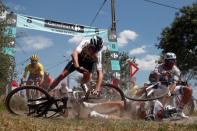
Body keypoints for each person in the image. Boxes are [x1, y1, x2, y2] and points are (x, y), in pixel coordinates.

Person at [149, 52, 192, 119]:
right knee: (148, 90)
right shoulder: (159, 66)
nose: (172, 63)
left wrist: (169, 91)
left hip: (170, 88)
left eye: (173, 60)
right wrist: (162, 74)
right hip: (159, 87)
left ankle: (179, 111)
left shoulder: (176, 69)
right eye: (170, 61)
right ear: (165, 61)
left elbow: (174, 82)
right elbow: (155, 74)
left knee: (188, 90)